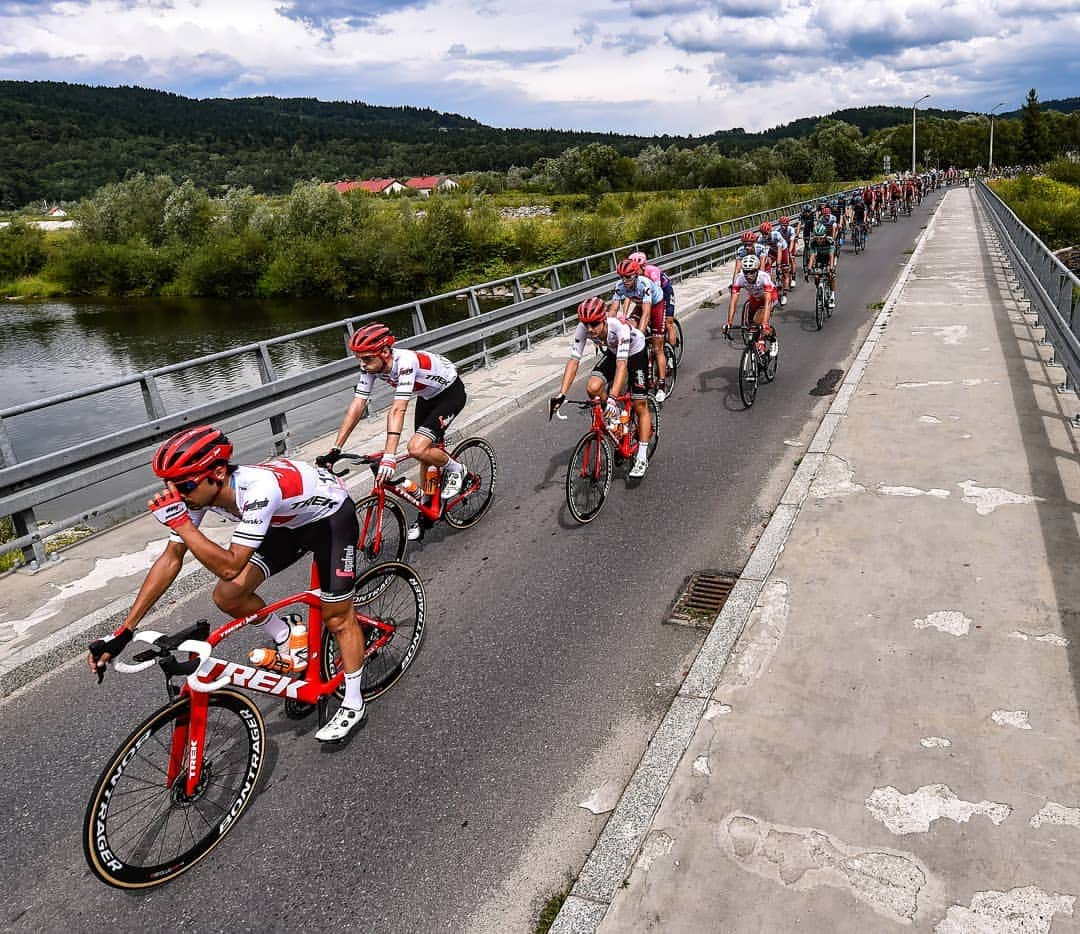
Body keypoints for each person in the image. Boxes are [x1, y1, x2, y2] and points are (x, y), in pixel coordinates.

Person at [87, 425, 370, 742]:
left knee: (336, 617)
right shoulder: (198, 495)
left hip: (330, 519)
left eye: (184, 486)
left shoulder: (258, 489)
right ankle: (286, 633)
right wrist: (124, 631)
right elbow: (170, 559)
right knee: (228, 596)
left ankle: (354, 701)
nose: (177, 495)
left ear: (218, 472)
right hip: (285, 522)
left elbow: (230, 565)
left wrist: (179, 521)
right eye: (170, 487)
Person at [324, 323, 467, 542]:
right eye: (359, 359)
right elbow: (357, 406)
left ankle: (458, 470)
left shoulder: (406, 362)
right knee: (424, 457)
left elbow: (398, 409)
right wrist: (336, 448)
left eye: (367, 358)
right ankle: (427, 511)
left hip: (450, 393)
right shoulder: (372, 365)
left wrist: (390, 457)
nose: (362, 364)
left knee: (417, 448)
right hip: (428, 398)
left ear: (385, 352)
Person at [550, 297, 653, 478]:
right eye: (586, 324)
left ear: (604, 319)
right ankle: (615, 420)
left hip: (636, 352)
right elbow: (574, 361)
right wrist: (561, 394)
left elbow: (622, 366)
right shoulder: (585, 328)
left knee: (639, 404)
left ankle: (642, 457)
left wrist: (613, 398)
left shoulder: (619, 328)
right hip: (615, 353)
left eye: (595, 324)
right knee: (593, 387)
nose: (590, 330)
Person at [611, 258, 669, 404]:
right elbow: (613, 309)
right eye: (621, 277)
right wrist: (607, 331)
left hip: (656, 306)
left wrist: (640, 336)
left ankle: (662, 385)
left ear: (636, 275)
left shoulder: (645, 284)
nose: (624, 280)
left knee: (657, 348)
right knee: (628, 326)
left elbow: (646, 314)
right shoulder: (619, 286)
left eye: (628, 277)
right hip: (640, 304)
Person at [723, 254, 778, 354]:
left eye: (752, 272)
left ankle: (772, 338)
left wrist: (765, 323)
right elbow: (733, 302)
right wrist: (729, 322)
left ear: (757, 270)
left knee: (759, 321)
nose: (748, 275)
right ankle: (757, 348)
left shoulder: (764, 277)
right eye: (746, 272)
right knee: (750, 326)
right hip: (755, 297)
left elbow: (767, 302)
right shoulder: (740, 278)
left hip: (769, 297)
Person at [627, 251, 678, 351]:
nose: (634, 271)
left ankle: (671, 354)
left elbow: (657, 293)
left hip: (664, 292)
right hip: (649, 295)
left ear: (643, 266)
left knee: (668, 322)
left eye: (637, 268)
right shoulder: (634, 277)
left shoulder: (652, 271)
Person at [806, 222, 837, 308]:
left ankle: (832, 297)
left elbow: (831, 256)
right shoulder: (813, 242)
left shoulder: (829, 241)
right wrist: (808, 270)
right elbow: (812, 257)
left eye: (821, 238)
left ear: (824, 236)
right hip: (819, 258)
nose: (819, 240)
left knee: (831, 276)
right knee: (816, 276)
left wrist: (831, 268)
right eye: (817, 238)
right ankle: (820, 291)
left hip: (829, 258)